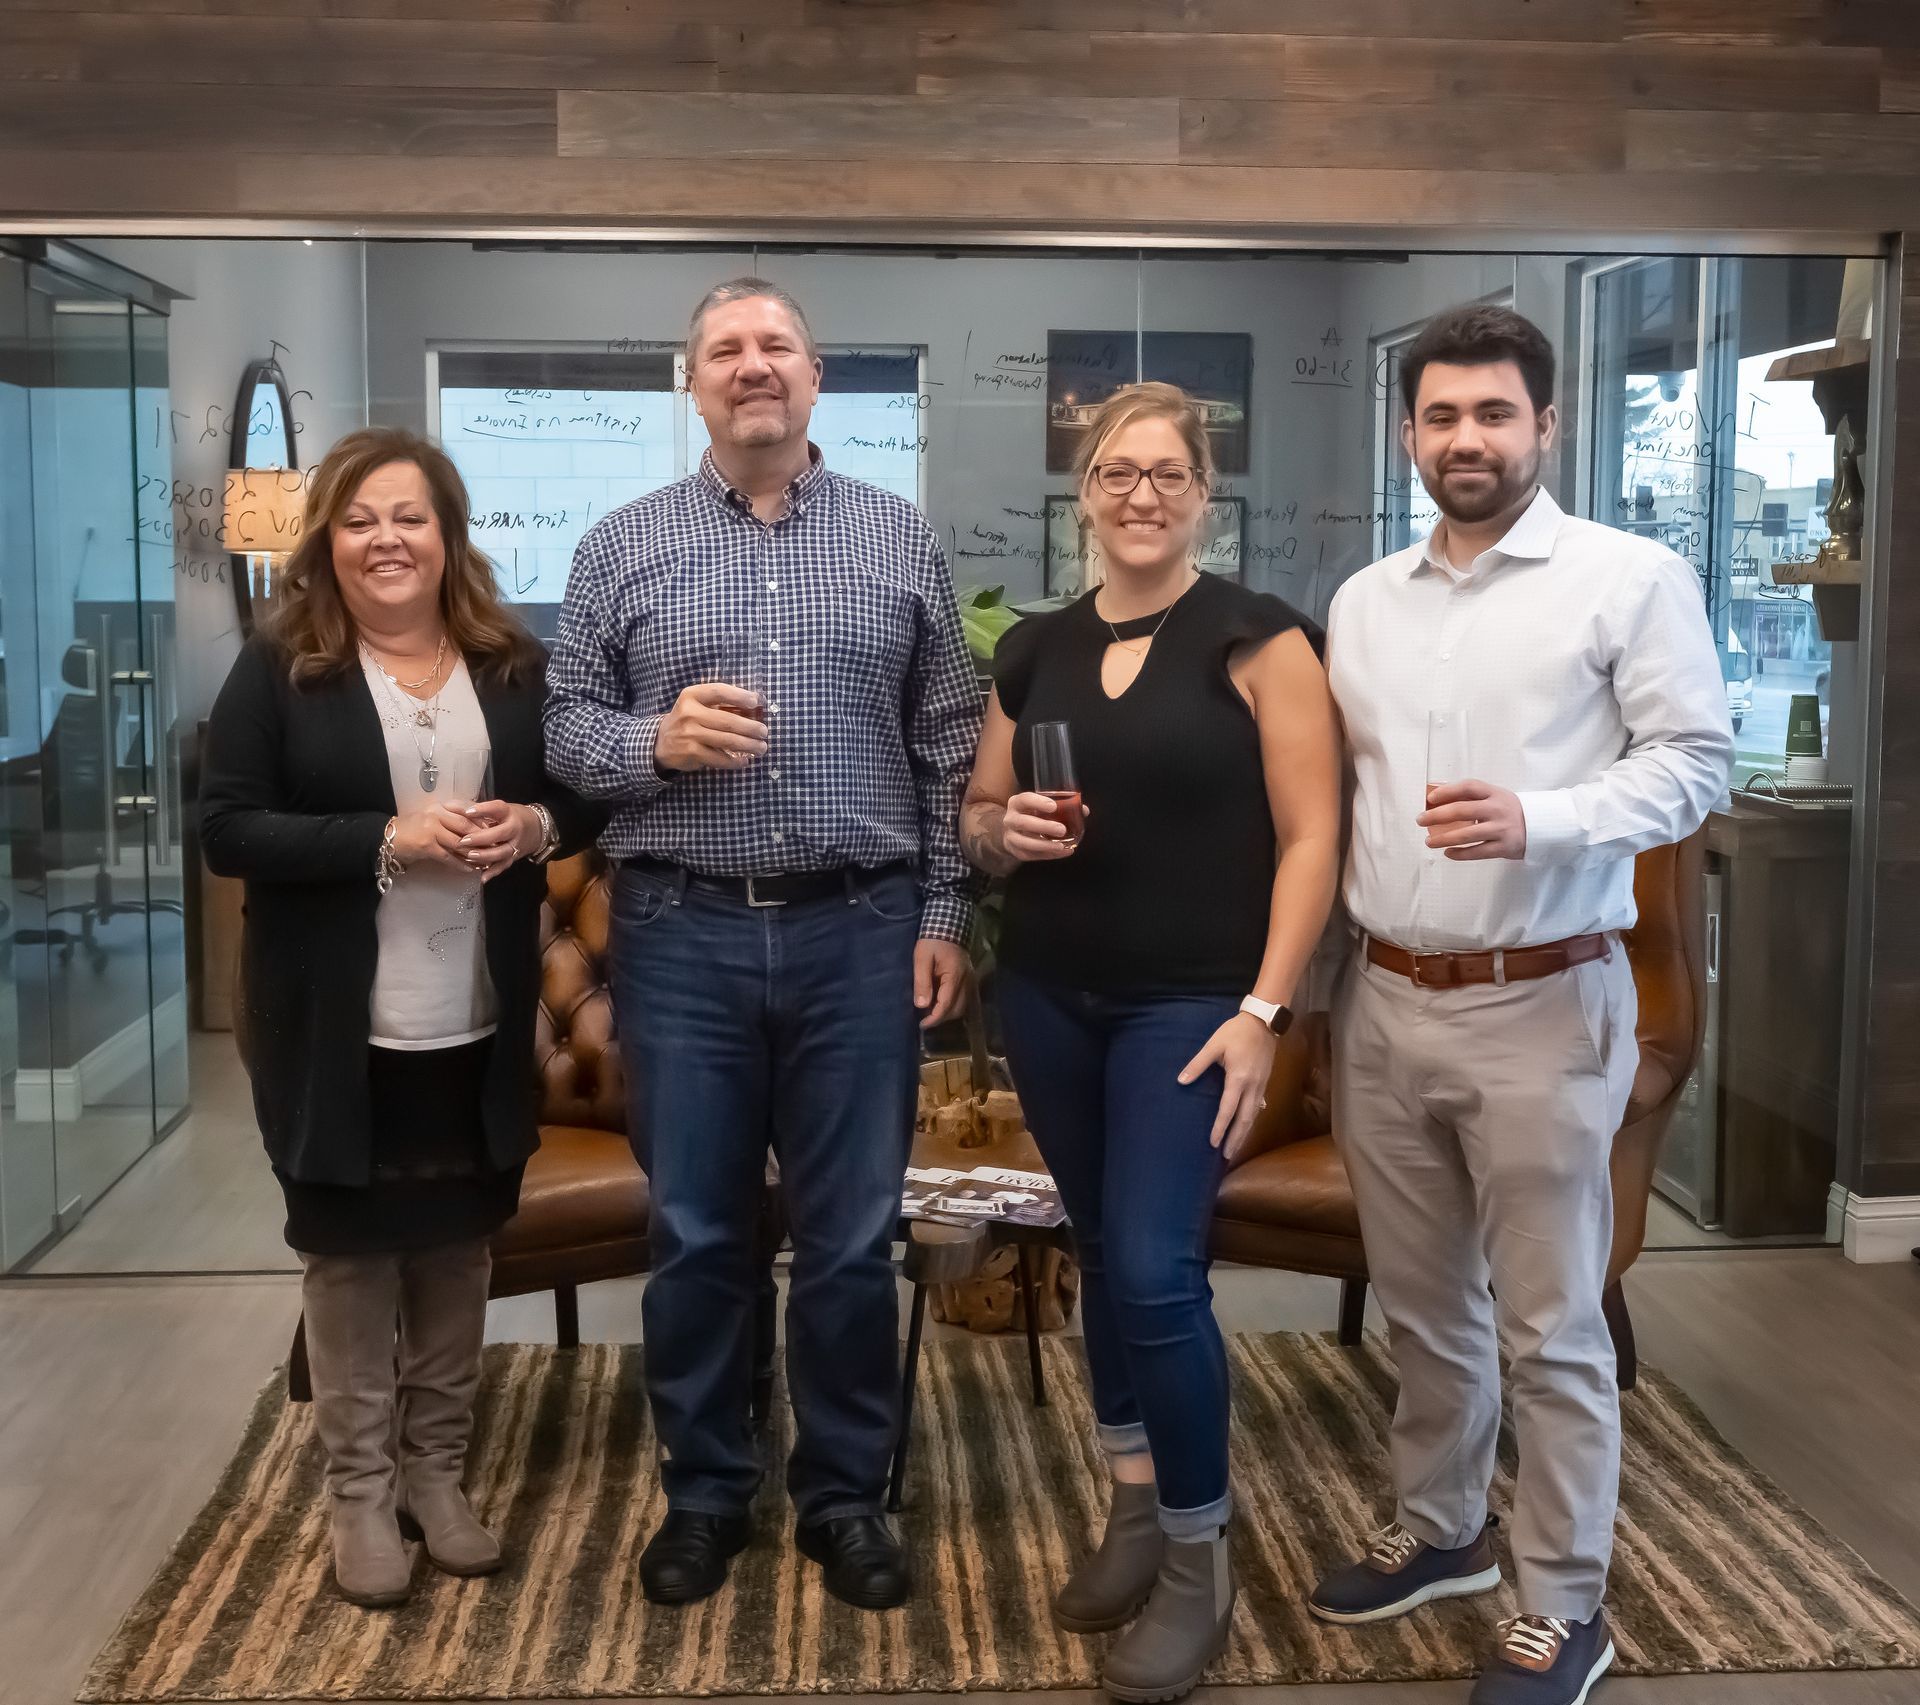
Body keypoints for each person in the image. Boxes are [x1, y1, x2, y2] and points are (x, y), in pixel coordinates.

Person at [1311, 304, 1732, 1705]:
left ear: (1546, 426)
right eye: (1441, 416)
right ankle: (1443, 1532)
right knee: (1426, 1311)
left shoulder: (1628, 577)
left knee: (1550, 1327)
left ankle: (1566, 1601)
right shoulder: (1366, 601)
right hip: (1383, 1003)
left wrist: (1544, 817)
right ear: (1410, 431)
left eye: (1494, 413)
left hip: (1546, 1001)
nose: (1467, 438)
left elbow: (1697, 764)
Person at [544, 278, 981, 1612]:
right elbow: (564, 730)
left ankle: (844, 1498)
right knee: (694, 1235)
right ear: (694, 386)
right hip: (680, 935)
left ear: (814, 375)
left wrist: (945, 915)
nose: (752, 367)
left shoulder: (901, 540)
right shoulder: (622, 545)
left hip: (860, 933)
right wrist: (651, 743)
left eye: (774, 346)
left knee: (850, 1242)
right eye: (725, 350)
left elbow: (947, 746)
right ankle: (706, 1492)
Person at [961, 382, 1341, 1703]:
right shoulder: (1037, 648)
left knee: (1160, 1273)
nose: (1141, 493)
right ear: (1086, 489)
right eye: (1117, 471)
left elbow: (1314, 839)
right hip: (1053, 993)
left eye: (1167, 473)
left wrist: (1263, 1012)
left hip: (1196, 1007)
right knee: (1102, 1251)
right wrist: (1002, 835)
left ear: (1201, 491)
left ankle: (1197, 1553)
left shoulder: (1258, 637)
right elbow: (978, 812)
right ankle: (1132, 1502)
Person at [201, 427, 602, 1608]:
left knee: (456, 1250)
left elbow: (574, 792)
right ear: (329, 539)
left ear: (449, 536)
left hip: (475, 1019)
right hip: (334, 1026)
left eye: (410, 517)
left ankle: (439, 1477)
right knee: (351, 1261)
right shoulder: (280, 667)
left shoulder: (511, 662)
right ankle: (360, 1495)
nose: (387, 538)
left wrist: (531, 827)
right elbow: (230, 828)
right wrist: (384, 837)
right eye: (362, 518)